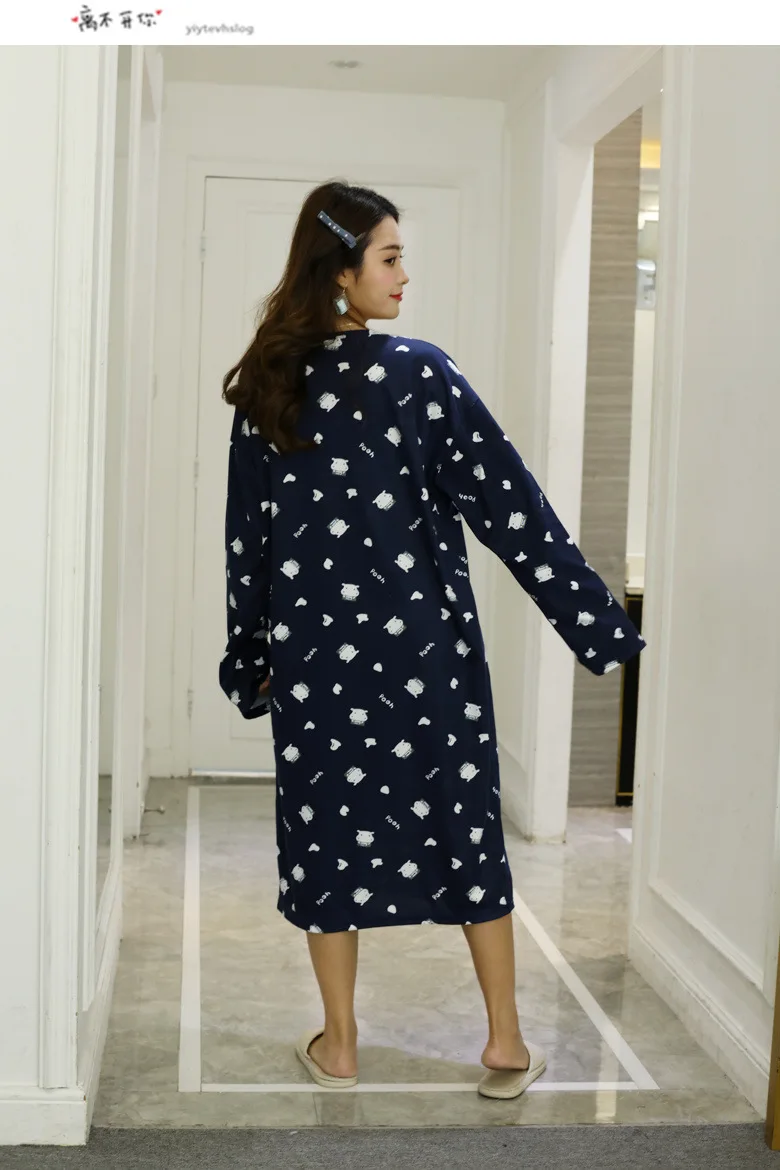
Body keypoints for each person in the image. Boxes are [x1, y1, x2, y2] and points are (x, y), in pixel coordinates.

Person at [218, 180, 646, 1100]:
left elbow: (247, 544)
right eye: (390, 257)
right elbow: (512, 508)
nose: (405, 275)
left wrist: (248, 660)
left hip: (315, 665)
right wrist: (598, 626)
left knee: (327, 842)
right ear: (340, 272)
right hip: (427, 660)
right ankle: (505, 1042)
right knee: (465, 831)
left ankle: (339, 1046)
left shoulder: (267, 388)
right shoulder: (418, 374)